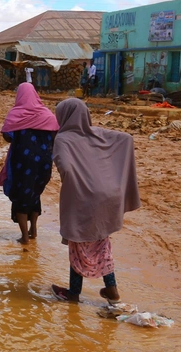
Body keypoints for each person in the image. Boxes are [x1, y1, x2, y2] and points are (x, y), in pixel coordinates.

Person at [50, 98, 140, 305]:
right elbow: (125, 138)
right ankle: (112, 290)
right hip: (108, 197)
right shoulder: (97, 133)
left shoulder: (63, 139)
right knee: (101, 243)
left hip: (83, 198)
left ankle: (74, 292)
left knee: (78, 244)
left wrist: (75, 182)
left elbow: (65, 166)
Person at [0, 83, 59, 244]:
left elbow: (7, 136)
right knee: (35, 193)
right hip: (44, 162)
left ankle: (24, 237)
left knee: (21, 195)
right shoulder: (47, 114)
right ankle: (34, 230)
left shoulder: (16, 114)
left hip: (22, 163)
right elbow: (56, 134)